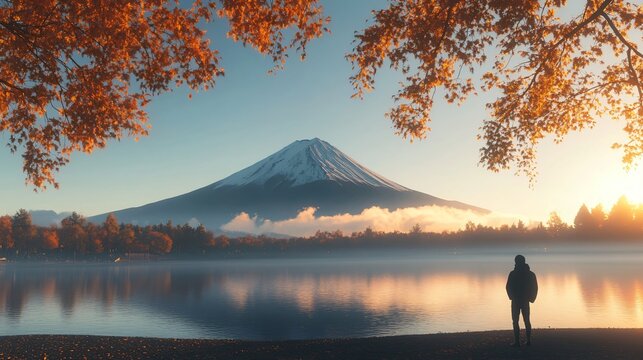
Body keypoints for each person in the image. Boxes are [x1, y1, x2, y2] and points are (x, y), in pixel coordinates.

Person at [506, 254, 538, 347]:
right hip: (521, 300)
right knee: (523, 320)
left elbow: (508, 287)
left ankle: (520, 341)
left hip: (519, 300)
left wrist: (531, 299)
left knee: (520, 321)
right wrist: (531, 298)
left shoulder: (514, 273)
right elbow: (508, 287)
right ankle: (524, 341)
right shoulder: (529, 274)